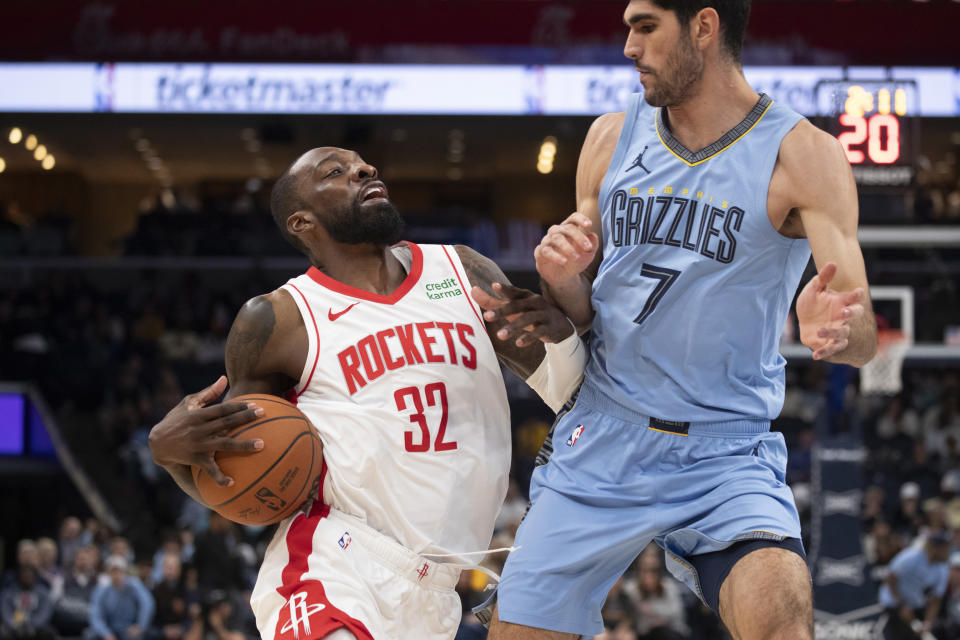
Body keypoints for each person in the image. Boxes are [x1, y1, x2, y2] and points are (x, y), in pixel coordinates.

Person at [480, 1, 877, 638]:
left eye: (645, 27)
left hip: (724, 450)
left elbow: (862, 339)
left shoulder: (803, 156)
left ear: (703, 25)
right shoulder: (610, 137)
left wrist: (835, 327)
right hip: (604, 436)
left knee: (781, 614)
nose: (630, 48)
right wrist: (564, 279)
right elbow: (585, 313)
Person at [148, 146, 584, 640]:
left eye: (363, 164)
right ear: (301, 222)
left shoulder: (461, 270)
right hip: (335, 567)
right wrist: (170, 457)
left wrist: (563, 334)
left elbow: (569, 391)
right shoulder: (280, 319)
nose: (364, 169)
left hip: (439, 592)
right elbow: (248, 485)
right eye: (335, 172)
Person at [878, 534, 951, 640]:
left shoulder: (943, 569)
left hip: (914, 607)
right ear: (935, 548)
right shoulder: (911, 557)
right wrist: (901, 604)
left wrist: (928, 623)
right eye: (945, 548)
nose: (948, 552)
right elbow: (890, 578)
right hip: (892, 604)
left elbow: (936, 599)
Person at [86, 555, 154, 640]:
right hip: (108, 628)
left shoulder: (134, 585)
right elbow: (95, 615)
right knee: (90, 634)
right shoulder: (101, 589)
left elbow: (147, 604)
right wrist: (106, 634)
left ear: (125, 572)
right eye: (113, 571)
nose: (116, 575)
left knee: (136, 637)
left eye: (119, 571)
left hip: (127, 628)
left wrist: (140, 626)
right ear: (108, 573)